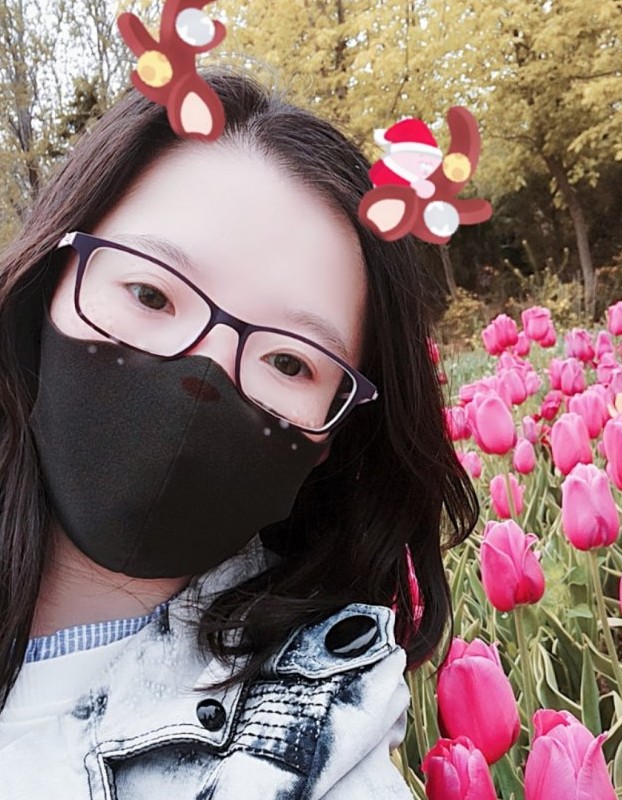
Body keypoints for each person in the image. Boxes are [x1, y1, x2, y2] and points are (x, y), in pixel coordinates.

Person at [0, 69, 478, 797]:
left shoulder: (307, 756)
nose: (201, 379)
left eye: (289, 361)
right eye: (150, 293)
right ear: (51, 281)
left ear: (333, 436)